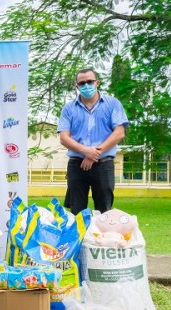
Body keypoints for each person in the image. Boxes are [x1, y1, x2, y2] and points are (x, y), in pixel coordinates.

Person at [57, 68, 129, 215]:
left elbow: (119, 132)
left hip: (103, 164)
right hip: (77, 164)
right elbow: (64, 137)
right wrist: (85, 151)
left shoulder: (113, 104)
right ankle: (78, 238)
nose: (86, 86)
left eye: (89, 81)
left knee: (104, 211)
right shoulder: (68, 108)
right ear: (77, 86)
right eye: (82, 83)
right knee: (76, 211)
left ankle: (103, 238)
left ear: (97, 82)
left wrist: (94, 153)